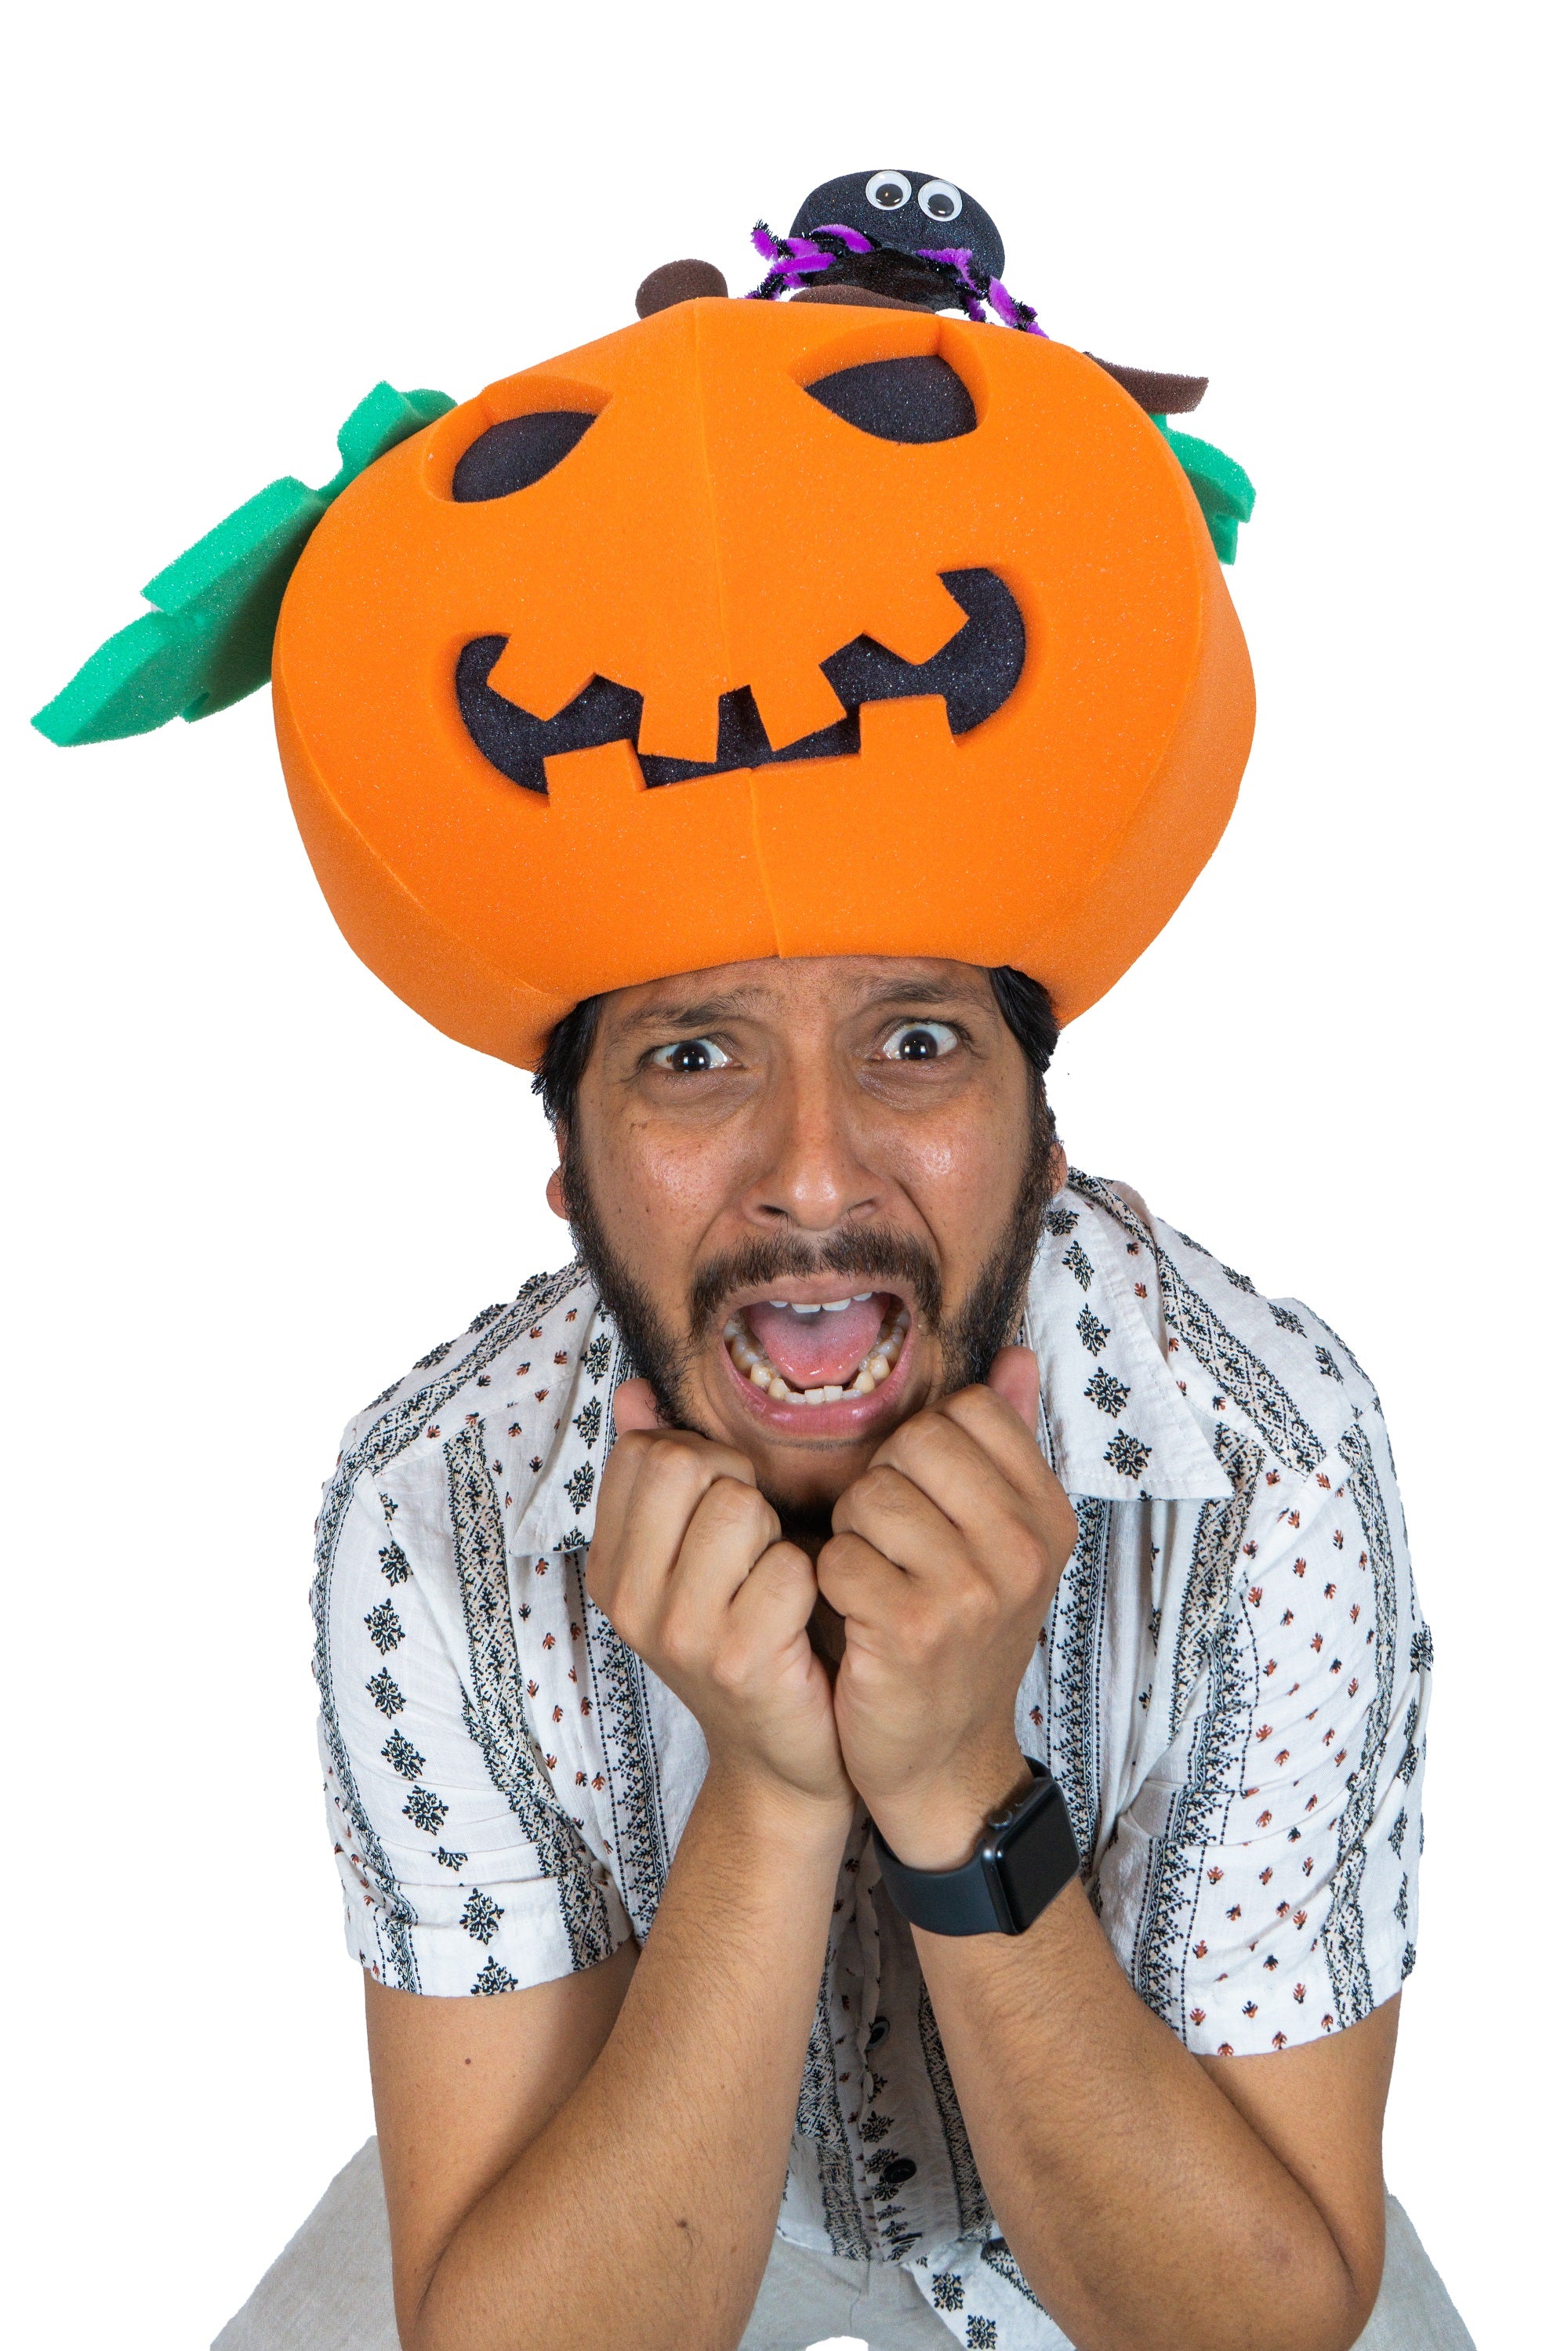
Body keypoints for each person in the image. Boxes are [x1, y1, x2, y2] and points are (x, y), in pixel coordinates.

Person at [35, 168, 1474, 2351]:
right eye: (695, 1059)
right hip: (620, 2164)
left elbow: (1249, 2325)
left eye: (917, 1043)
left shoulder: (1266, 1456)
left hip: (1153, 2168)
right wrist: (777, 1799)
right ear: (569, 1177)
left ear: (1048, 1134)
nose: (816, 1173)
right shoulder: (433, 1500)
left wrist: (959, 1785)